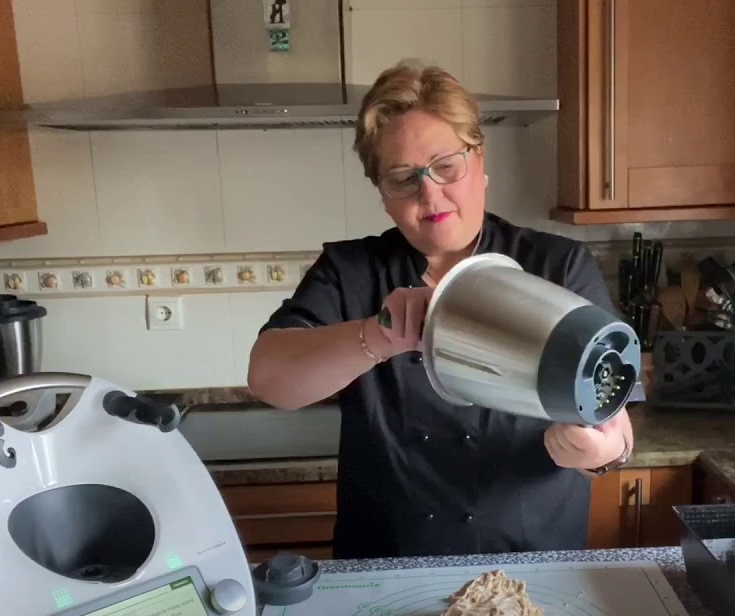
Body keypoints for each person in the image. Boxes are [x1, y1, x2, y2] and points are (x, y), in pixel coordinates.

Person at [248, 60, 635, 560]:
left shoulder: (559, 266)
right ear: (383, 195)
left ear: (480, 163)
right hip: (387, 570)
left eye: (446, 167)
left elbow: (615, 414)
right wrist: (377, 336)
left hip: (533, 565)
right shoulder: (349, 272)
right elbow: (269, 379)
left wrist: (604, 453)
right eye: (402, 178)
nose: (429, 193)